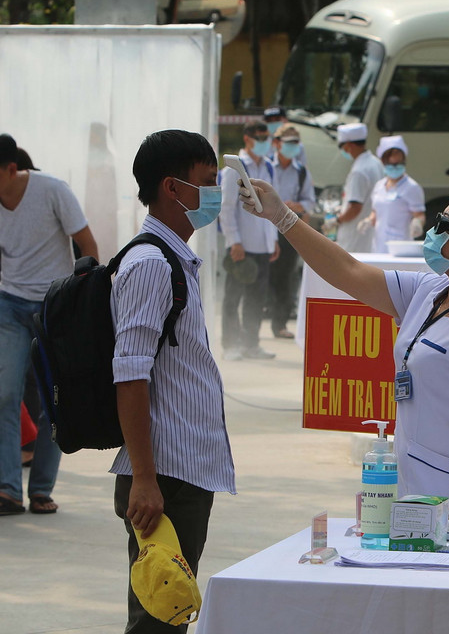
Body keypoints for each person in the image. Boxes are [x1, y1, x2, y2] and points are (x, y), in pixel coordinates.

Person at [237, 179, 449, 522]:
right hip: (420, 492)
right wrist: (283, 217)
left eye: (445, 225)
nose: (433, 230)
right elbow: (348, 272)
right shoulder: (431, 290)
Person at [111, 129, 235, 634]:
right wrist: (144, 478)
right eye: (207, 183)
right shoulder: (151, 264)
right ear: (172, 188)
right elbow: (130, 375)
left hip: (181, 472)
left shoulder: (176, 259)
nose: (215, 196)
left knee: (168, 614)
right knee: (158, 619)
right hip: (164, 477)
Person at [0, 134, 98, 516]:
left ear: (11, 169)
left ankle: (41, 490)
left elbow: (88, 245)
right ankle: (7, 490)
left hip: (55, 306)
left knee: (53, 402)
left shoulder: (52, 191)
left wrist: (81, 302)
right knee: (4, 395)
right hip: (9, 307)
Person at [0, 146, 41, 468]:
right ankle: (15, 454)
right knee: (6, 385)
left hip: (42, 303)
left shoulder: (47, 198)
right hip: (3, 301)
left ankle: (31, 443)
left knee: (33, 379)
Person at [218, 120, 280, 360]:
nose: (264, 142)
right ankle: (231, 344)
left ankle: (251, 343)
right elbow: (227, 207)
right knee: (234, 296)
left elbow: (273, 206)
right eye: (260, 138)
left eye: (267, 137)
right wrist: (234, 241)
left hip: (262, 244)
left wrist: (272, 239)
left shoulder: (269, 167)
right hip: (241, 246)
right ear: (247, 139)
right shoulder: (235, 167)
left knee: (256, 298)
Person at [268, 124, 315, 339]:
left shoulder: (302, 172)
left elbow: (309, 202)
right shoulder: (267, 167)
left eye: (296, 143)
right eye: (288, 143)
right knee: (262, 276)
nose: (293, 147)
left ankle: (280, 323)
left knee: (286, 277)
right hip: (265, 228)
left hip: (287, 228)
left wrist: (295, 205)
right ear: (277, 144)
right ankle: (252, 321)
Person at [366, 135, 426, 253]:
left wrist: (417, 223)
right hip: (378, 245)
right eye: (390, 164)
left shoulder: (411, 187)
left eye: (398, 164)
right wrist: (368, 220)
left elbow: (419, 214)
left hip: (400, 247)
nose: (394, 168)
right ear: (383, 163)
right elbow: (376, 211)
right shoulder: (379, 186)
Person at [333, 122, 384, 253]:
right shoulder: (375, 162)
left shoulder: (359, 171)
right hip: (370, 230)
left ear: (349, 145)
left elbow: (355, 207)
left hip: (355, 233)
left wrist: (337, 220)